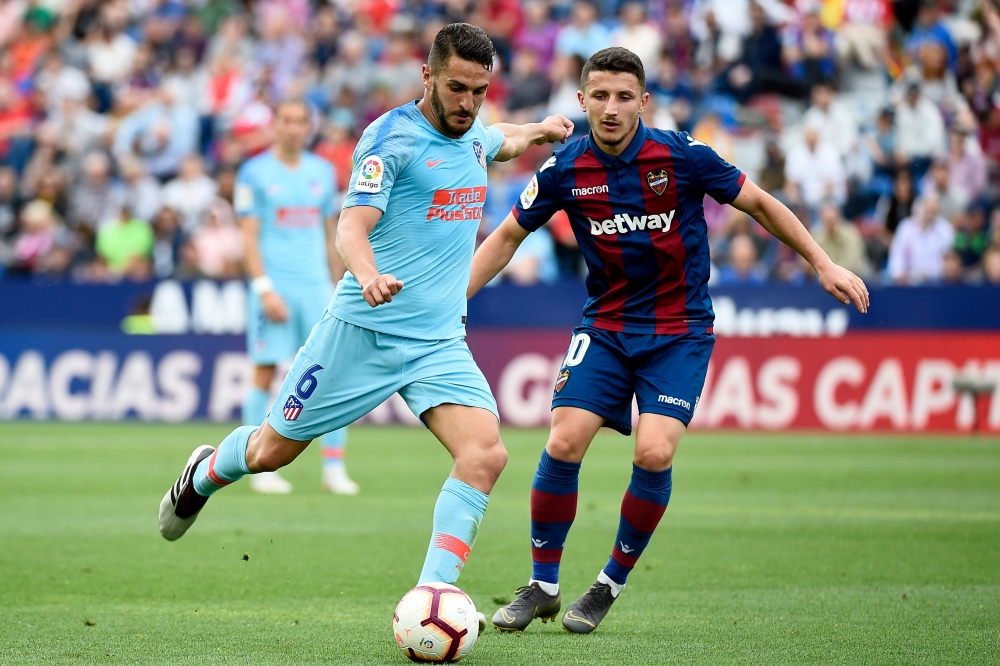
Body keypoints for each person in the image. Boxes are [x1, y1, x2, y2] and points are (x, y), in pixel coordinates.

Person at [158, 23, 573, 603]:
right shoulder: (390, 139)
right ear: (427, 75)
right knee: (270, 453)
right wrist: (370, 273)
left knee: (486, 453)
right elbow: (351, 226)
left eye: (480, 90)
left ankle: (432, 599)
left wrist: (538, 130)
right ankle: (202, 474)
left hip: (437, 342)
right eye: (457, 88)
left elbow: (495, 137)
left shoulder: (472, 129)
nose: (468, 103)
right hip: (362, 330)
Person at [471, 47, 868, 635]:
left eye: (623, 96)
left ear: (643, 102)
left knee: (654, 452)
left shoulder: (683, 156)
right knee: (563, 441)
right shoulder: (563, 169)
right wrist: (454, 304)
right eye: (599, 96)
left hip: (679, 329)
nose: (610, 108)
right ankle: (543, 586)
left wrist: (822, 263)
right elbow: (506, 237)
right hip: (605, 326)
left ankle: (608, 584)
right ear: (581, 101)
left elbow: (758, 203)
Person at [233, 99, 358, 495]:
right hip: (276, 285)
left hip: (316, 286)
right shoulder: (254, 173)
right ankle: (258, 465)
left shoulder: (322, 172)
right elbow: (249, 237)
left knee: (334, 374)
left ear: (309, 126)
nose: (293, 128)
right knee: (266, 371)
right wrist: (263, 287)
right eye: (286, 120)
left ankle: (333, 468)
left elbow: (330, 232)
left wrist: (337, 283)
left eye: (301, 121)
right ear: (275, 125)